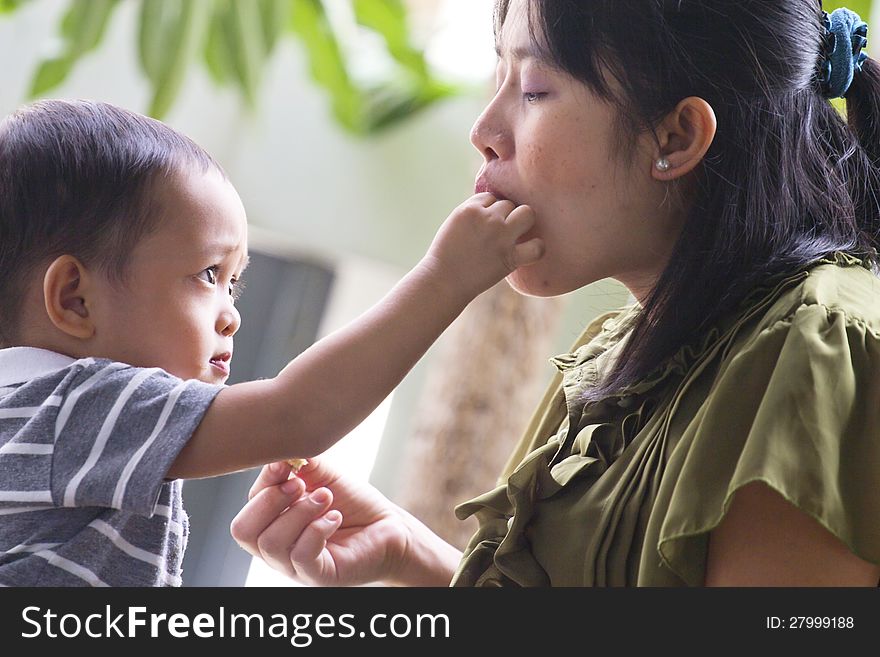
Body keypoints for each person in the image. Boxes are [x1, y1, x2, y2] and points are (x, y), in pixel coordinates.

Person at [231, 0, 880, 587]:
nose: (484, 128)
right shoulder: (618, 347)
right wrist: (409, 555)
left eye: (536, 89)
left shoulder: (814, 350)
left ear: (676, 137)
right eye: (500, 79)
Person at [0, 98, 544, 587]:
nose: (231, 315)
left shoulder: (34, 418)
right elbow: (298, 413)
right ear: (75, 299)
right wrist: (447, 276)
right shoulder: (75, 405)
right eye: (208, 274)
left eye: (233, 284)